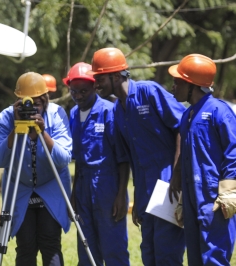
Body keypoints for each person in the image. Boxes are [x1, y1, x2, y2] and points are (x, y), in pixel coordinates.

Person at [90, 47, 186, 265]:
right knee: (149, 254)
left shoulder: (148, 92)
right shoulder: (117, 110)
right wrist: (138, 200)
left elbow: (182, 126)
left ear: (115, 76)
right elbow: (129, 157)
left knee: (167, 253)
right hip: (144, 189)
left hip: (168, 183)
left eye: (100, 78)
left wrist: (177, 176)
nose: (96, 84)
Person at [0, 72, 72, 266]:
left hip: (51, 187)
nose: (33, 107)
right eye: (28, 101)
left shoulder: (56, 114)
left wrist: (43, 133)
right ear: (18, 100)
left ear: (45, 99)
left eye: (38, 102)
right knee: (25, 246)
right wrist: (16, 128)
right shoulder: (6, 117)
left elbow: (63, 159)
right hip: (21, 188)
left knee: (51, 243)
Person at [168, 54, 236, 265]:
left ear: (192, 85)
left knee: (214, 257)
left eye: (177, 82)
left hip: (214, 200)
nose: (173, 87)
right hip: (191, 198)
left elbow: (234, 151)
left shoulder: (219, 111)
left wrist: (228, 192)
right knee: (195, 258)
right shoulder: (187, 116)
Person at [64, 62, 130, 266]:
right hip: (83, 186)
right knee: (86, 247)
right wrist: (75, 193)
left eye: (83, 91)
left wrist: (121, 195)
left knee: (113, 247)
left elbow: (123, 157)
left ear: (95, 87)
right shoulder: (74, 114)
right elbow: (79, 161)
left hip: (107, 186)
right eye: (74, 91)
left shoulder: (110, 111)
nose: (79, 96)